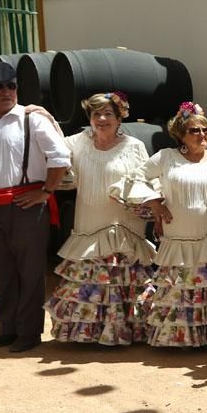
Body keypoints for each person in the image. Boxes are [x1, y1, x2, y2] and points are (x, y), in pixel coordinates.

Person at [0, 60, 70, 352]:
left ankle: (29, 333)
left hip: (25, 206)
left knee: (30, 270)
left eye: (11, 86)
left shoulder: (31, 119)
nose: (6, 91)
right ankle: (6, 330)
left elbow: (60, 157)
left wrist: (46, 192)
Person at [116, 103, 207, 348]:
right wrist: (154, 203)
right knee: (177, 291)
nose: (202, 135)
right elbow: (134, 178)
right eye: (194, 130)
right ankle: (177, 339)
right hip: (177, 241)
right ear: (180, 134)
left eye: (206, 129)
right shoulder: (166, 157)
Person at [45, 92, 155, 344]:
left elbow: (146, 182)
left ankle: (128, 332)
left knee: (124, 280)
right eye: (96, 114)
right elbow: (52, 142)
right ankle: (90, 333)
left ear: (119, 118)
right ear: (90, 118)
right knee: (90, 279)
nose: (102, 118)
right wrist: (40, 113)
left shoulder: (134, 147)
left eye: (108, 114)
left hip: (124, 226)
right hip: (89, 225)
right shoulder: (78, 142)